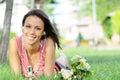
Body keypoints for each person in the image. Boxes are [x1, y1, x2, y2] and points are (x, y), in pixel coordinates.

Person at [8, 9, 68, 79]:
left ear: (43, 32)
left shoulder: (49, 42)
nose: (32, 32)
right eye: (28, 26)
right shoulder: (14, 44)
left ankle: (63, 57)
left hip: (55, 69)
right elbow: (17, 77)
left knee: (61, 63)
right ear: (23, 27)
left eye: (38, 28)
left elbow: (48, 77)